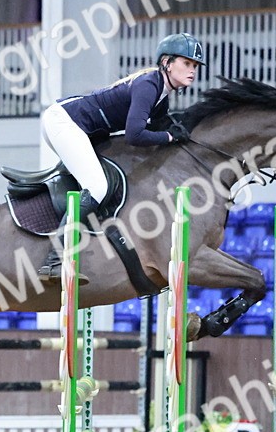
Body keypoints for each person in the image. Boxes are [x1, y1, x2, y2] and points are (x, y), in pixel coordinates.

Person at [37, 32, 206, 282]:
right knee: (96, 186)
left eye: (195, 66)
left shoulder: (160, 94)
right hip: (63, 122)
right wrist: (170, 137)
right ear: (167, 63)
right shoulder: (149, 84)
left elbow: (161, 125)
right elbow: (135, 135)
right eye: (187, 63)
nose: (192, 70)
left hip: (74, 126)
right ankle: (55, 259)